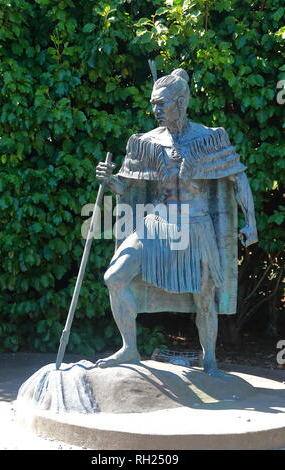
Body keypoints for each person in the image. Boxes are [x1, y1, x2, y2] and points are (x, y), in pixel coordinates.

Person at [95, 69, 258, 375]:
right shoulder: (146, 142)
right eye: (153, 104)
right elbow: (127, 188)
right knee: (114, 277)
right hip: (155, 223)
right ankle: (129, 348)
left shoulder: (208, 139)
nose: (155, 110)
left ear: (181, 102)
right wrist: (110, 180)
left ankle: (209, 359)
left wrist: (251, 222)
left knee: (205, 297)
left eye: (161, 104)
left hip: (195, 228)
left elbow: (239, 179)